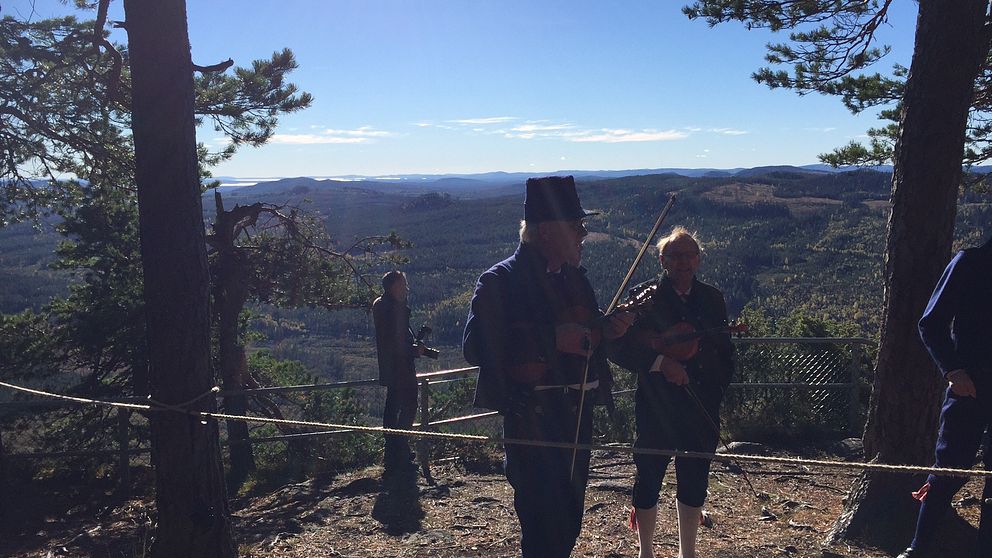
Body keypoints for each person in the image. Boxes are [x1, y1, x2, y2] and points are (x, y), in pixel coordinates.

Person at [462, 175, 633, 558]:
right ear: (544, 232)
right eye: (576, 226)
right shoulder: (500, 281)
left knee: (570, 520)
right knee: (542, 527)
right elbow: (475, 347)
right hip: (532, 418)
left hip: (576, 416)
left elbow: (589, 335)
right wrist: (552, 340)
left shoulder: (575, 279)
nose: (584, 234)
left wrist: (609, 330)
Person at [609, 226, 736, 558]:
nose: (684, 262)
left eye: (690, 255)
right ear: (663, 260)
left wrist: (712, 388)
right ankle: (646, 552)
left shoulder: (712, 298)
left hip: (700, 405)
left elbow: (725, 352)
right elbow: (620, 348)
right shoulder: (644, 297)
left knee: (695, 479)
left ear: (699, 259)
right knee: (648, 476)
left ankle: (687, 553)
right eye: (676, 256)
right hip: (655, 405)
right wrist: (660, 362)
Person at [898, 236, 992, 558]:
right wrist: (954, 371)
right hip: (969, 387)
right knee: (949, 469)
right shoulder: (970, 262)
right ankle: (917, 549)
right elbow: (931, 323)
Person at [373, 270, 425, 474]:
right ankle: (399, 447)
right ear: (395, 286)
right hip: (401, 367)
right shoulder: (393, 310)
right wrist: (415, 350)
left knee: (393, 407)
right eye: (403, 284)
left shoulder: (382, 306)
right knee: (409, 405)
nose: (406, 288)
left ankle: (395, 449)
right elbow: (397, 343)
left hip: (391, 368)